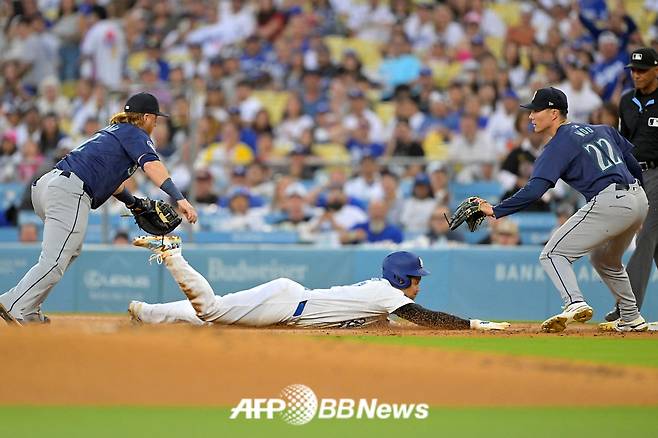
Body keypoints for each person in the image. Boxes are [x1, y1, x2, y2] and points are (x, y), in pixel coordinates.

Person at [0, 92, 198, 325]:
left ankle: (29, 308)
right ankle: (14, 303)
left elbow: (111, 182)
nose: (156, 122)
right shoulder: (135, 133)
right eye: (155, 117)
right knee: (55, 260)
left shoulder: (114, 131)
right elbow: (152, 165)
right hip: (69, 191)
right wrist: (180, 198)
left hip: (48, 186)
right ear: (145, 117)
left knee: (67, 253)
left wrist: (133, 203)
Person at [473, 87, 649, 333]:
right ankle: (631, 316)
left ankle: (574, 302)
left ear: (554, 113)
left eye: (536, 111)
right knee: (604, 259)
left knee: (552, 254)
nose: (531, 116)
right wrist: (639, 205)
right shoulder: (602, 129)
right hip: (637, 198)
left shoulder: (558, 145)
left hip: (610, 200)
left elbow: (535, 191)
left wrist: (496, 210)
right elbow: (633, 165)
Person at [127, 235, 509, 331]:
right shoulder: (386, 293)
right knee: (211, 310)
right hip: (288, 305)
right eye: (415, 279)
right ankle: (172, 253)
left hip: (288, 305)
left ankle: (146, 313)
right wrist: (472, 324)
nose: (418, 285)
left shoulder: (382, 297)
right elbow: (424, 318)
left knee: (215, 317)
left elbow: (384, 322)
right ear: (399, 278)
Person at [605, 48, 658, 328]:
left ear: (656, 70)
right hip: (635, 174)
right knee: (655, 243)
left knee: (647, 235)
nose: (636, 74)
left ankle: (627, 306)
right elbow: (622, 143)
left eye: (642, 70)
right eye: (633, 70)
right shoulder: (626, 102)